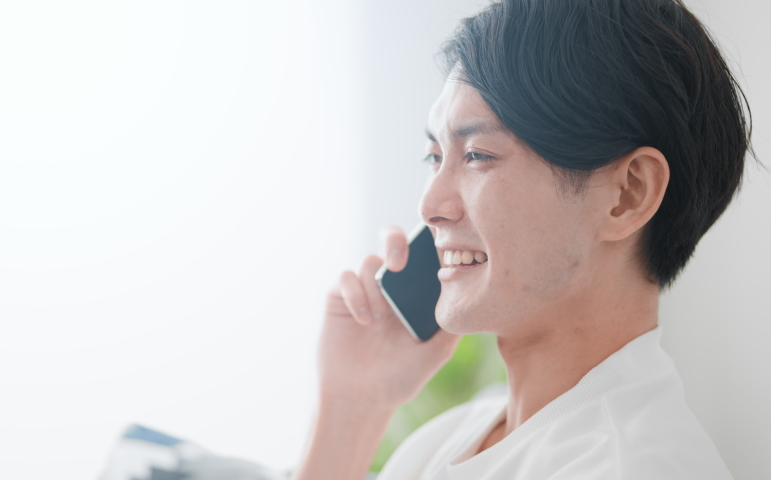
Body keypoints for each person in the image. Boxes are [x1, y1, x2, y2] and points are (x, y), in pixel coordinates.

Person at [293, 0, 751, 478]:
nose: (430, 205)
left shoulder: (632, 466)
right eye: (434, 156)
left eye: (476, 154)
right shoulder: (454, 437)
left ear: (628, 194)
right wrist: (352, 404)